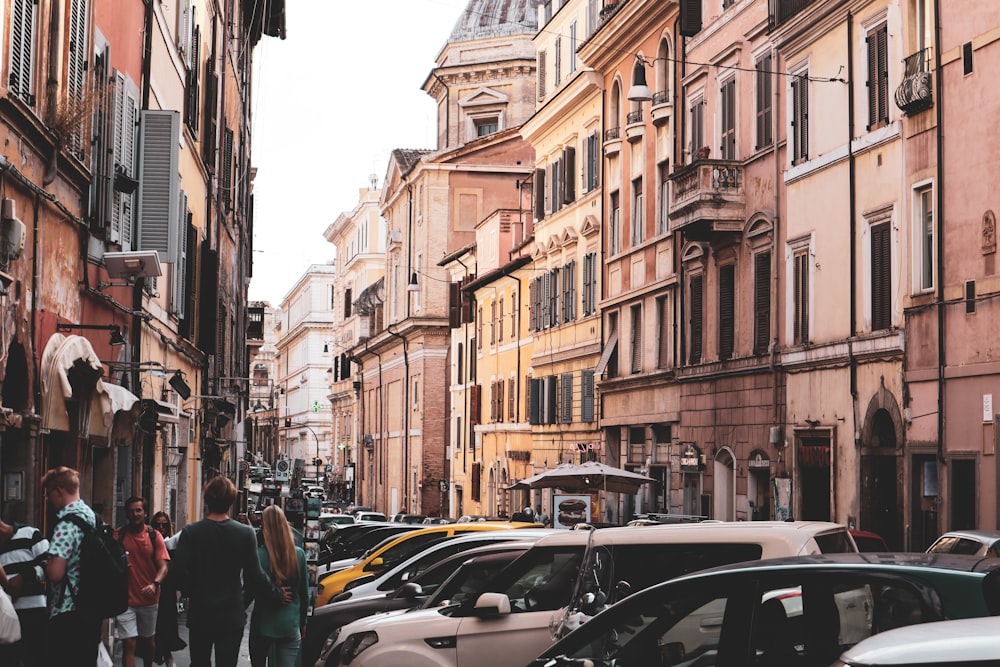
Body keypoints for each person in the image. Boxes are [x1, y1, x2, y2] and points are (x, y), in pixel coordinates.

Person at [170, 475, 291, 667]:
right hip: (231, 615)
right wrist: (276, 594)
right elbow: (256, 575)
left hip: (201, 613)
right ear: (231, 501)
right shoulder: (245, 533)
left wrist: (192, 589)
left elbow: (175, 575)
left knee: (199, 662)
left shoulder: (191, 533)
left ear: (207, 500)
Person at [42, 466, 102, 666]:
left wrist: (47, 562)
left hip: (67, 610)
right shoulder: (91, 516)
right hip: (90, 607)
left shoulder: (66, 525)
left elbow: (55, 573)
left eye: (48, 493)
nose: (48, 499)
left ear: (59, 491)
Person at [248, 506, 308, 667]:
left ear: (264, 527)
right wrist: (303, 622)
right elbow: (304, 594)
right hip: (289, 624)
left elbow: (250, 590)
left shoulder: (257, 555)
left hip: (262, 623)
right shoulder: (299, 555)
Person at [115, 496, 170, 667]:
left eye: (138, 510)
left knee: (147, 641)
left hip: (149, 599)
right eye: (131, 511)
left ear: (145, 513)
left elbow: (163, 567)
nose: (135, 514)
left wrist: (155, 584)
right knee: (129, 643)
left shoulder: (155, 536)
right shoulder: (118, 535)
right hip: (125, 600)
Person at [0, 513, 49, 666]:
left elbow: (49, 563)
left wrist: (24, 576)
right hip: (8, 619)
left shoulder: (30, 534)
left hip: (34, 613)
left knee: (35, 659)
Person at [150, 512, 185, 667]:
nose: (161, 528)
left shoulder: (173, 545)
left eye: (164, 525)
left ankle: (167, 655)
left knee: (166, 624)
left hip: (168, 590)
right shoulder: (149, 542)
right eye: (157, 524)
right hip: (151, 588)